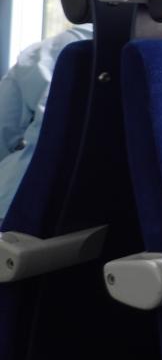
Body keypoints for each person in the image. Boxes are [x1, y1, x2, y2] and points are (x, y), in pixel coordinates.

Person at [0, 24, 94, 220]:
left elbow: (3, 128)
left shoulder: (52, 51)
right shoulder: (159, 52)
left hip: (24, 204)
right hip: (121, 211)